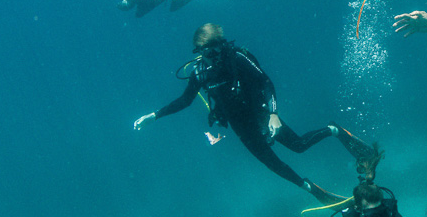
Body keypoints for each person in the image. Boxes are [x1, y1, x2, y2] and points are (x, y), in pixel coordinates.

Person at [133, 23, 370, 201]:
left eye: (216, 50)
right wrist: (155, 115)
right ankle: (313, 190)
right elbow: (185, 100)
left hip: (262, 115)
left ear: (222, 45)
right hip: (239, 126)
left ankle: (333, 130)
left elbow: (265, 82)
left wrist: (274, 114)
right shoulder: (199, 72)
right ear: (198, 51)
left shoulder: (236, 59)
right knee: (271, 163)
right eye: (207, 52)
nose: (213, 57)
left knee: (298, 146)